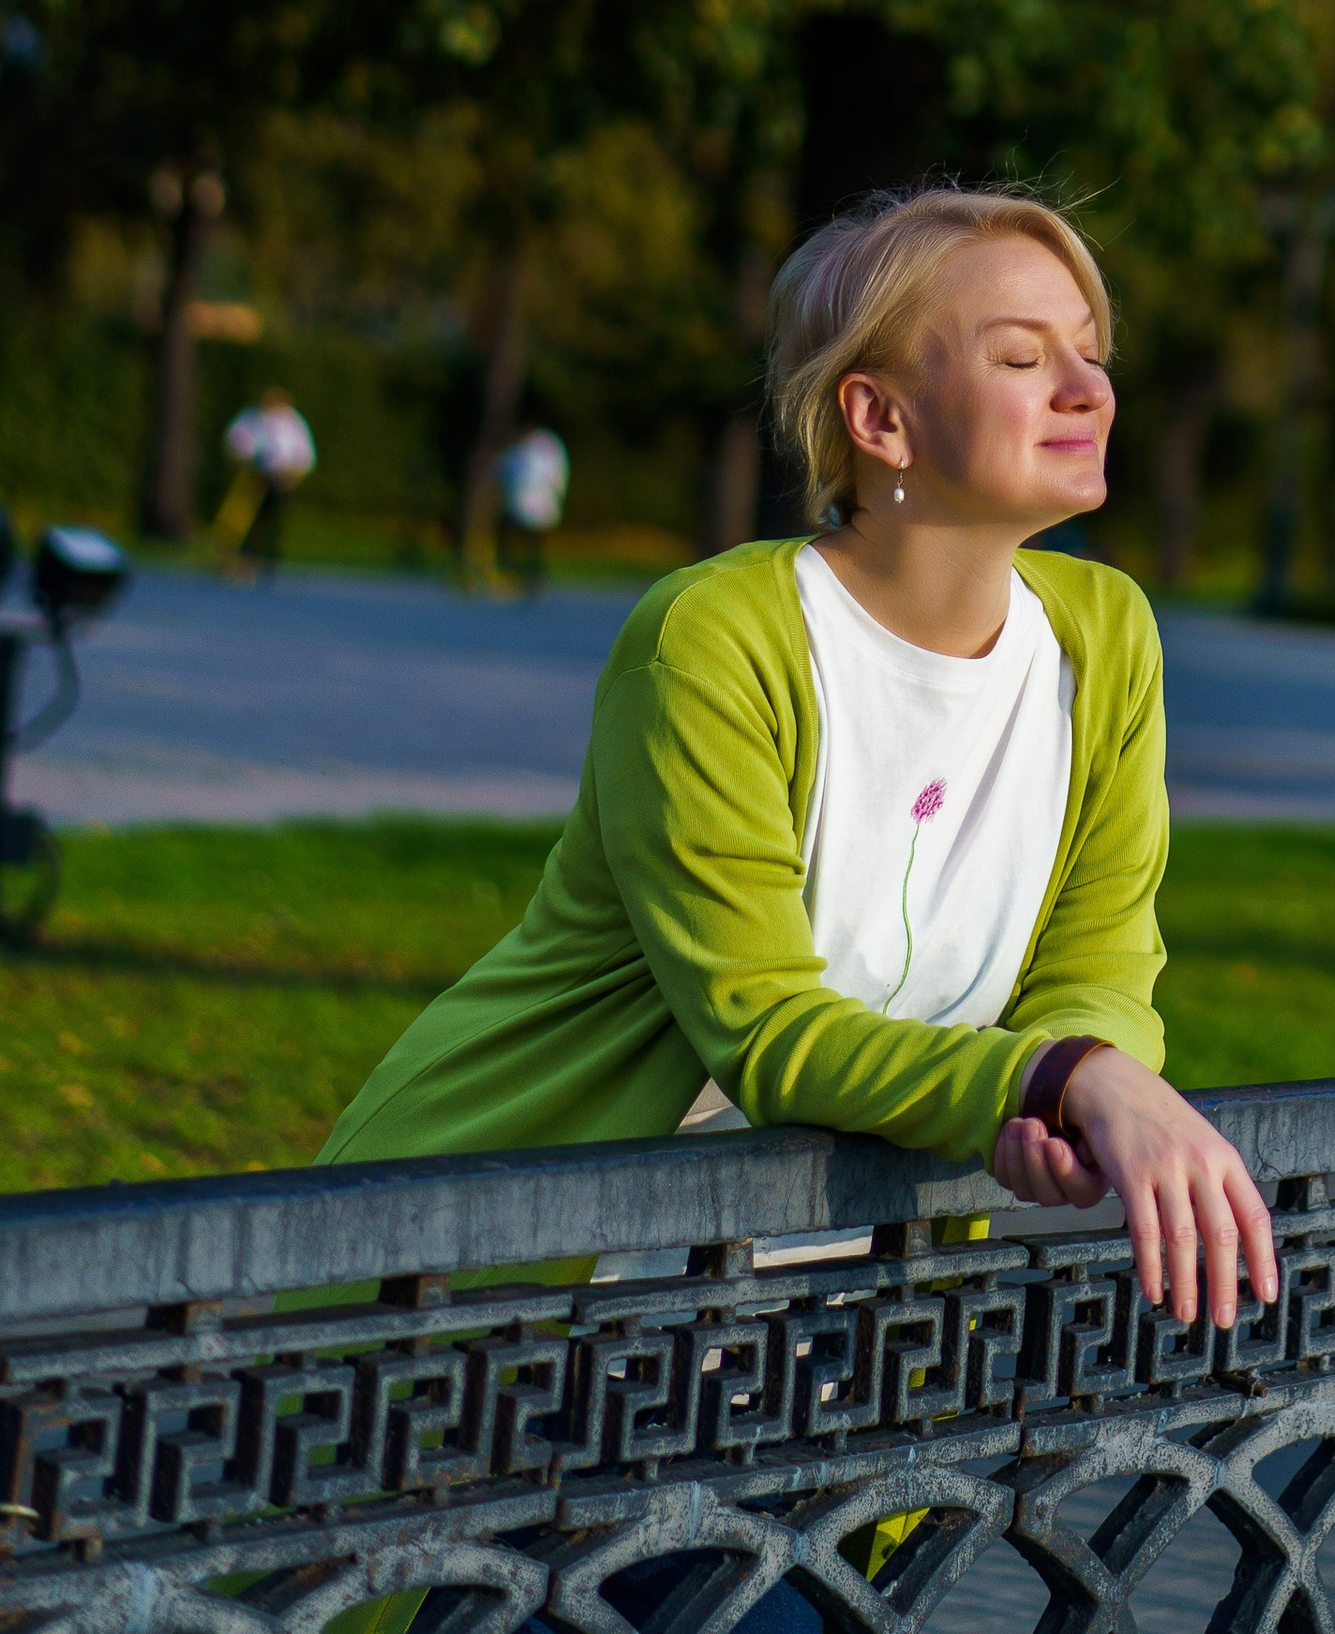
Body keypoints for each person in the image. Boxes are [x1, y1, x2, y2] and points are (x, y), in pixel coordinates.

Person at [322, 185, 1275, 1337]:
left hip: (827, 1311)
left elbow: (1099, 962)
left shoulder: (1106, 636)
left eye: (1091, 352)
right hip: (503, 1283)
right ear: (879, 421)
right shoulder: (715, 640)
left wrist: (1080, 1073)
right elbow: (765, 1027)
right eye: (1025, 358)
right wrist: (1055, 1079)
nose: (1090, 390)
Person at [215, 388, 316, 578]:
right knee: (241, 517)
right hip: (255, 475)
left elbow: (304, 453)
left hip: (283, 479)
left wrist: (293, 474)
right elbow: (237, 441)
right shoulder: (253, 417)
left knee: (272, 520)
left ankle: (269, 559)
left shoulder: (292, 422)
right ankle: (237, 557)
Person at [495, 421, 570, 593]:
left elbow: (555, 473)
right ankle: (519, 575)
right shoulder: (524, 446)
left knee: (532, 543)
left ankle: (531, 577)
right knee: (519, 540)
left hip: (538, 501)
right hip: (523, 501)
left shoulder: (544, 446)